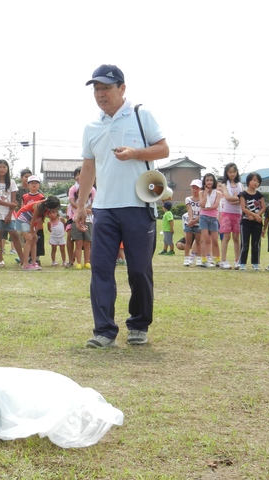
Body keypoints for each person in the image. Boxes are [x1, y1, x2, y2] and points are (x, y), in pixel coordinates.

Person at [76, 64, 169, 348]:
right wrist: (82, 205)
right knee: (100, 268)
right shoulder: (91, 127)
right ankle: (103, 330)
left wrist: (135, 153)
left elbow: (163, 149)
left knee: (139, 269)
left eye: (106, 88)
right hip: (104, 208)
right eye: (97, 89)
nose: (100, 94)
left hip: (138, 206)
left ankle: (139, 324)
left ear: (122, 89)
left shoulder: (141, 115)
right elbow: (88, 167)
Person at [16, 196, 61, 270]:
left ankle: (34, 263)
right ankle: (25, 264)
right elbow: (33, 220)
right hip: (21, 220)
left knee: (35, 239)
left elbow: (41, 221)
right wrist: (31, 233)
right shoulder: (39, 206)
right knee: (29, 239)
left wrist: (35, 232)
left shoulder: (47, 208)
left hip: (29, 222)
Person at [0, 159, 24, 267]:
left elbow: (13, 201)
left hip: (9, 214)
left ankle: (22, 259)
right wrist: (9, 205)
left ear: (7, 169)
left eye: (4, 167)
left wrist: (9, 212)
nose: (2, 169)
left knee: (14, 234)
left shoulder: (12, 182)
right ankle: (0, 259)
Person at [238, 172, 266, 271]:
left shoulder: (260, 195)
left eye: (258, 181)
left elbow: (263, 207)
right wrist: (255, 216)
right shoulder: (243, 194)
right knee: (244, 244)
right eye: (254, 180)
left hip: (257, 224)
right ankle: (242, 263)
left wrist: (256, 217)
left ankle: (255, 263)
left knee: (256, 244)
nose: (255, 183)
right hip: (245, 223)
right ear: (248, 181)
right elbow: (243, 208)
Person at [219, 163, 243, 270]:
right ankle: (223, 260)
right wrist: (236, 200)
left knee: (236, 238)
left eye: (234, 172)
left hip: (238, 214)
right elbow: (228, 197)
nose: (232, 174)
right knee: (226, 237)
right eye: (230, 172)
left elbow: (243, 199)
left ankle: (237, 260)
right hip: (227, 213)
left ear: (236, 172)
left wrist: (236, 200)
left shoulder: (240, 185)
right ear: (227, 173)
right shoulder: (224, 184)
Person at [198, 173, 222, 267]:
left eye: (211, 180)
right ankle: (204, 260)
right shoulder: (201, 192)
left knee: (215, 240)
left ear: (214, 181)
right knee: (205, 240)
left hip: (213, 218)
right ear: (204, 181)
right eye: (207, 180)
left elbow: (215, 206)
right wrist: (205, 194)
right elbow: (202, 205)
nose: (209, 182)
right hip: (203, 218)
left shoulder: (218, 193)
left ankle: (218, 260)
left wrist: (206, 208)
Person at [21, 175, 45, 266]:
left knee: (37, 241)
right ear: (28, 185)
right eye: (31, 183)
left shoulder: (41, 197)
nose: (34, 185)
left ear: (39, 185)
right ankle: (28, 259)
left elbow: (42, 212)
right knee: (28, 240)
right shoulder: (25, 196)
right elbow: (22, 208)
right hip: (27, 222)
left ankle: (36, 259)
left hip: (37, 223)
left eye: (36, 183)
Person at [72, 181, 96, 270]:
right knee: (78, 244)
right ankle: (78, 262)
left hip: (89, 222)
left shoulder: (91, 204)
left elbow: (92, 210)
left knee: (87, 244)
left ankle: (87, 262)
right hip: (76, 222)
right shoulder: (76, 204)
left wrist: (86, 210)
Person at [183, 179, 202, 266]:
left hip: (198, 223)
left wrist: (196, 220)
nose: (195, 190)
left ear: (200, 189)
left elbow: (202, 212)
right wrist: (191, 221)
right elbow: (189, 209)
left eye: (197, 188)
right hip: (189, 222)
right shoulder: (188, 199)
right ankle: (186, 258)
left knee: (198, 242)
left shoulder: (203, 200)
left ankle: (198, 259)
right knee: (188, 241)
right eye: (193, 188)